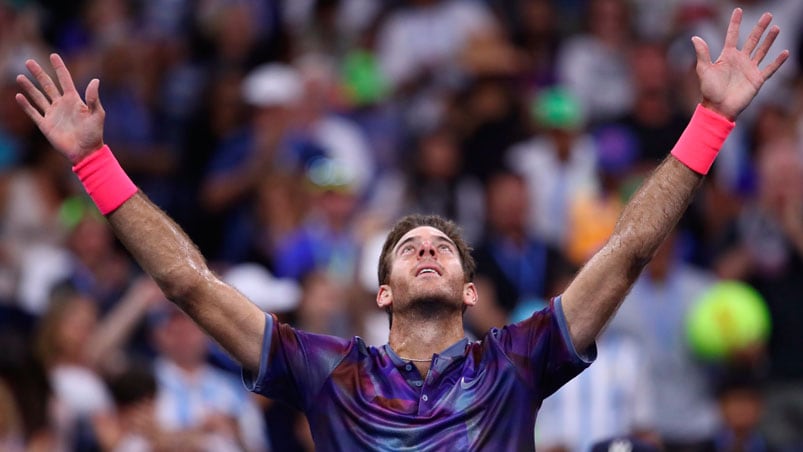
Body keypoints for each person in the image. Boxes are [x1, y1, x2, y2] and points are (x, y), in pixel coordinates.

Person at [14, 8, 788, 450]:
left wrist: (712, 120)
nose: (427, 246)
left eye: (443, 247)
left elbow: (625, 253)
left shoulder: (516, 361)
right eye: (409, 246)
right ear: (381, 290)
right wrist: (93, 163)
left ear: (469, 288)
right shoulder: (325, 370)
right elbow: (188, 283)